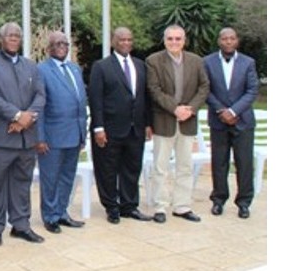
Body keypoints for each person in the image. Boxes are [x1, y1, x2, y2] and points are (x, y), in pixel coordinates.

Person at [0, 22, 45, 247]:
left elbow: (40, 96)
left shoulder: (31, 65)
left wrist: (27, 119)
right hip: (0, 139)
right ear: (1, 39)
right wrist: (16, 115)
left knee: (22, 184)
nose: (14, 39)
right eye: (10, 36)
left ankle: (21, 225)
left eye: (17, 35)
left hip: (26, 139)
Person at [88, 27, 154, 224]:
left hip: (136, 128)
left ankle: (129, 206)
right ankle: (112, 206)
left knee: (132, 168)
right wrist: (98, 128)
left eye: (129, 39)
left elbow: (145, 98)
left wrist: (148, 124)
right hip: (109, 128)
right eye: (121, 39)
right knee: (107, 169)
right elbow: (95, 99)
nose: (126, 43)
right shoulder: (101, 66)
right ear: (113, 42)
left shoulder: (140, 65)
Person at [146, 24, 210, 223]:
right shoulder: (153, 61)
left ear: (184, 40)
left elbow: (204, 86)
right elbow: (154, 90)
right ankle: (160, 206)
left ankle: (182, 206)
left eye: (178, 39)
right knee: (160, 166)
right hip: (164, 121)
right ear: (164, 40)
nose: (174, 42)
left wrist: (190, 109)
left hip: (187, 121)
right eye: (170, 39)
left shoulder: (196, 61)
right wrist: (175, 109)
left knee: (185, 166)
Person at [203, 27, 259, 219]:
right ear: (219, 41)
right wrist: (222, 111)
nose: (228, 42)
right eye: (224, 39)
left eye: (232, 38)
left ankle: (244, 203)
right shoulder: (208, 62)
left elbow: (252, 90)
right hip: (219, 121)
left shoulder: (248, 62)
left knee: (244, 163)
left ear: (237, 41)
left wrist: (234, 111)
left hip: (242, 121)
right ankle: (218, 200)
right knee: (219, 162)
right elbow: (206, 89)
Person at [36, 31, 87, 234]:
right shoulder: (41, 70)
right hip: (52, 136)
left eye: (64, 43)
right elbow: (38, 107)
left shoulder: (75, 69)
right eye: (56, 43)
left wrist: (82, 133)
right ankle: (50, 216)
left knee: (67, 176)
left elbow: (80, 102)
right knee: (50, 178)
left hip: (74, 134)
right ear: (48, 48)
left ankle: (62, 212)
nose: (61, 46)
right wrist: (39, 137)